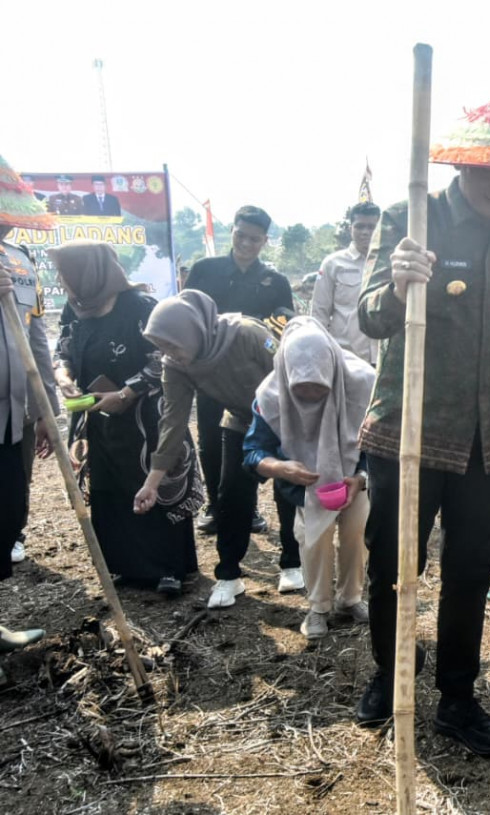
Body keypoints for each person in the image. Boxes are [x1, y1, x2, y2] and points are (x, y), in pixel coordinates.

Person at [354, 93, 490, 758]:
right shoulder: (409, 219)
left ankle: (457, 694)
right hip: (409, 430)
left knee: (472, 568)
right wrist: (395, 285)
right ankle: (389, 673)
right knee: (394, 564)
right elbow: (368, 317)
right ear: (462, 164)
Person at [51, 241, 203, 594]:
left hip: (146, 416)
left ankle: (169, 567)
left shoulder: (139, 306)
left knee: (154, 483)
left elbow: (165, 358)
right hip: (97, 417)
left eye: (65, 272)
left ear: (87, 271)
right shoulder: (75, 309)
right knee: (109, 487)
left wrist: (126, 393)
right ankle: (126, 564)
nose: (62, 280)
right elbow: (63, 351)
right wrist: (64, 379)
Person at [134, 290, 287, 608]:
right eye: (162, 347)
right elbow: (172, 422)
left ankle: (293, 562)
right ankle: (229, 575)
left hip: (287, 417)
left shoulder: (247, 334)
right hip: (241, 420)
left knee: (288, 487)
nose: (169, 353)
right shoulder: (176, 366)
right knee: (230, 495)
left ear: (192, 330)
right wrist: (152, 481)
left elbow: (289, 373)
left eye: (172, 344)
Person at [244, 318, 374, 640]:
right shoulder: (270, 396)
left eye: (320, 388)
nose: (312, 397)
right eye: (301, 391)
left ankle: (350, 598)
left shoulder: (361, 382)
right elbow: (253, 451)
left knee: (357, 533)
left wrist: (360, 477)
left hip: (353, 477)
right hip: (305, 484)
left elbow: (380, 443)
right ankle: (318, 606)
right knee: (312, 539)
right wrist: (281, 468)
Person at [184, 206, 294, 571]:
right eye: (240, 235)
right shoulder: (205, 270)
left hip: (258, 378)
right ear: (232, 232)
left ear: (265, 241)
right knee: (212, 441)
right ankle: (217, 506)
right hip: (212, 374)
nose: (246, 244)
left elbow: (285, 325)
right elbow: (188, 316)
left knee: (260, 442)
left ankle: (249, 510)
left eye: (255, 238)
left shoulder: (274, 280)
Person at [0, 158, 56, 640]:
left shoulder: (20, 262)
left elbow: (36, 339)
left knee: (6, 513)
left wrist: (46, 410)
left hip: (12, 417)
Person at [311, 202, 381, 365]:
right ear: (351, 228)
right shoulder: (333, 264)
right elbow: (319, 314)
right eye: (359, 226)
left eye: (372, 227)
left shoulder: (389, 263)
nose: (365, 232)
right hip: (346, 357)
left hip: (382, 357)